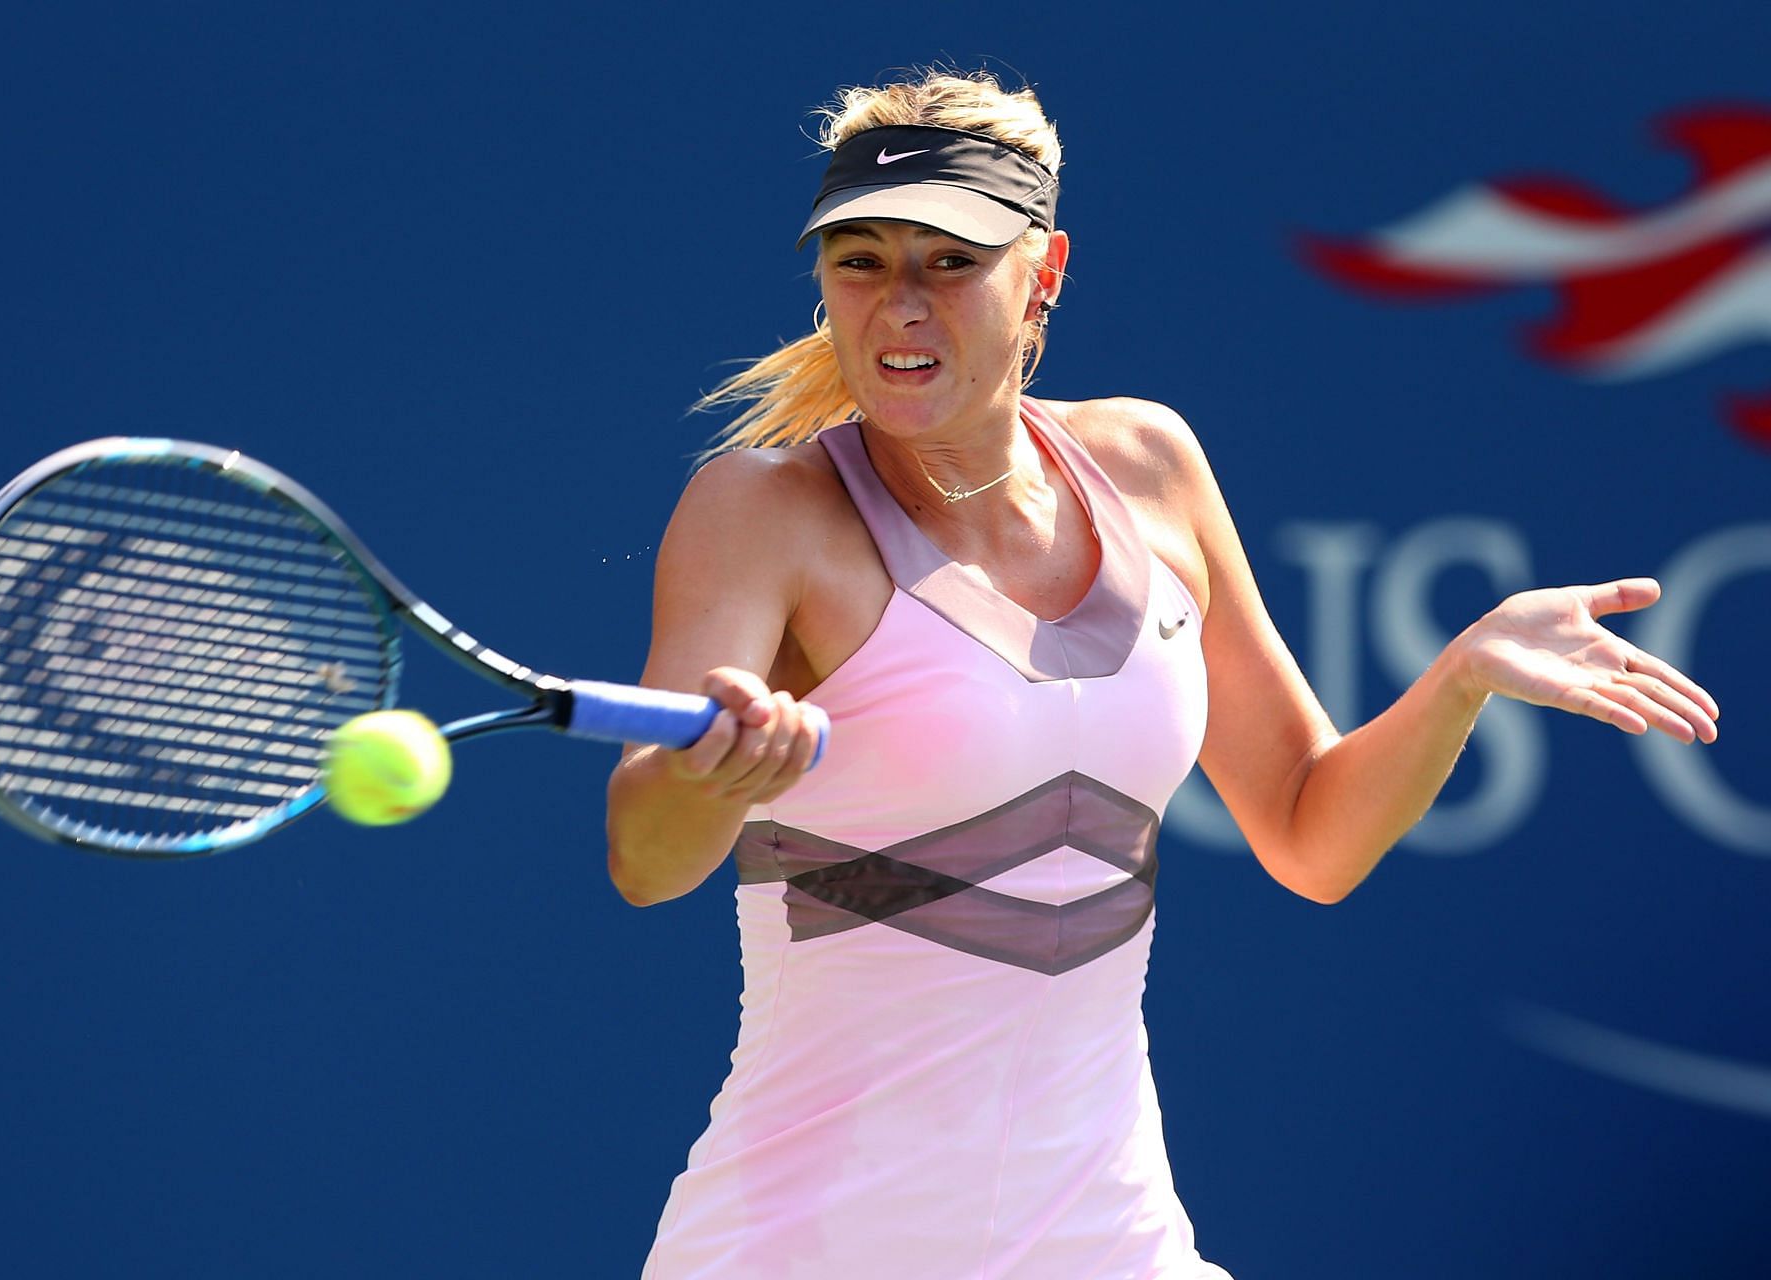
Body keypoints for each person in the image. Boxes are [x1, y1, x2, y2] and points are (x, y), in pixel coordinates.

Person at [604, 69, 1720, 1279]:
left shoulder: (1149, 464)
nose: (899, 306)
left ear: (1046, 270)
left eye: (950, 261)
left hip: (1106, 1240)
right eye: (860, 261)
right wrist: (716, 778)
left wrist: (1461, 674)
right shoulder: (760, 509)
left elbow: (1311, 832)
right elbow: (647, 860)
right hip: (808, 1246)